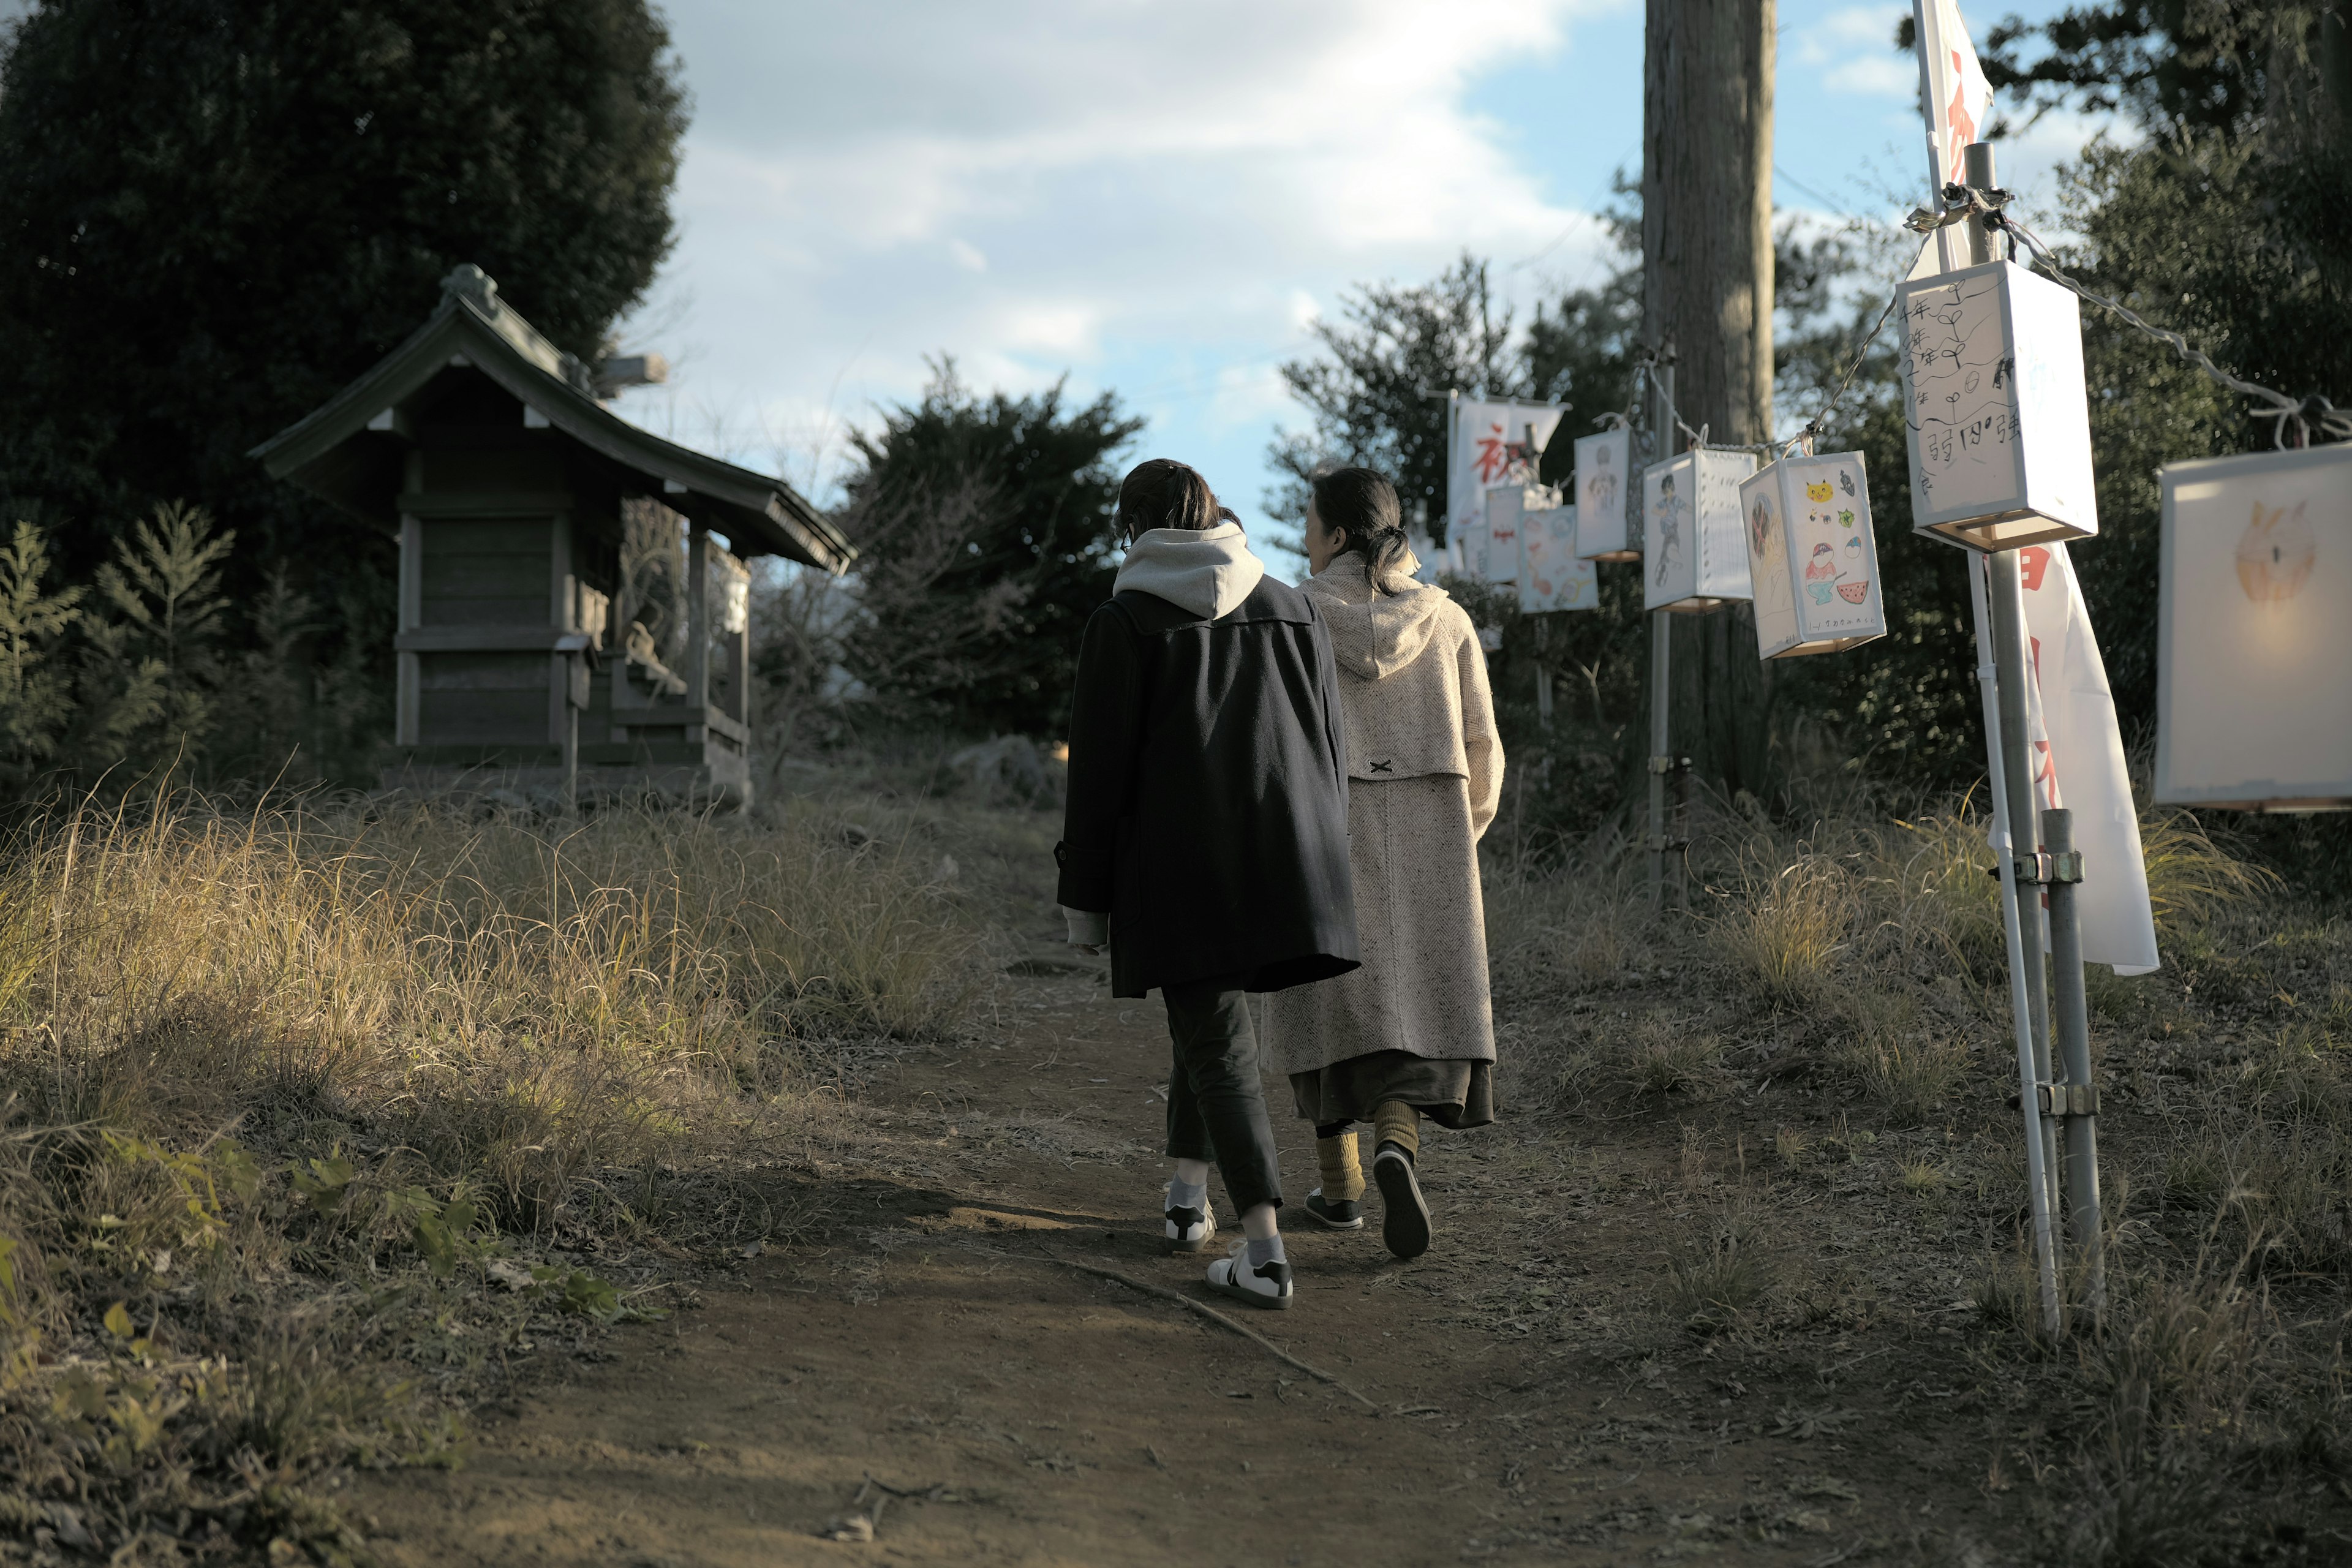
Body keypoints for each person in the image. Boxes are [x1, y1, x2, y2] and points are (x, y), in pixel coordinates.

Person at [1057, 458, 1359, 1311]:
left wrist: (1087, 899)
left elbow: (1099, 778)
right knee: (1211, 1024)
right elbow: (1327, 748)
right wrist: (1328, 858)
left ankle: (1265, 1254)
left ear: (1136, 531)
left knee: (1218, 1044)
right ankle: (1188, 1203)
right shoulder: (1294, 607)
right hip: (1290, 864)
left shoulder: (1125, 620)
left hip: (1182, 873)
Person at [1264, 466, 1501, 1261]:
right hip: (1431, 829)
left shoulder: (1293, 618)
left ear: (1333, 535)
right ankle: (1398, 1144)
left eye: (1309, 523)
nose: (1304, 536)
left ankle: (1341, 1192)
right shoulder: (1450, 622)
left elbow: (1272, 740)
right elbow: (1483, 753)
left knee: (1329, 1006)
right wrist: (1451, 842)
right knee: (1415, 1011)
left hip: (1325, 830)